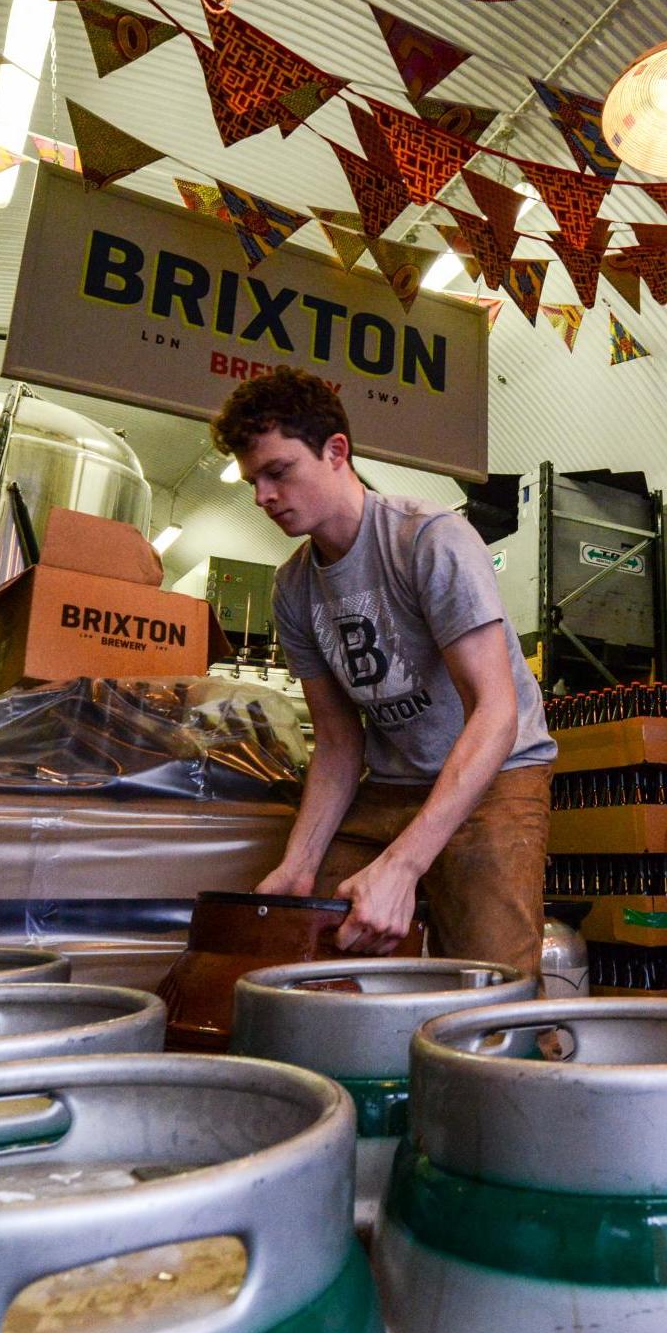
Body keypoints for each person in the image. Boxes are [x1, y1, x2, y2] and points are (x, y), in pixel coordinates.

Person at [213, 367, 556, 975]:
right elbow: (340, 744)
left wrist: (403, 866)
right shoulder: (292, 588)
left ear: (336, 451)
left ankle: (528, 1047)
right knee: (316, 939)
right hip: (391, 782)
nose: (263, 496)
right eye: (253, 481)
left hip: (494, 771)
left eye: (278, 471)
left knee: (489, 980)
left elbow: (497, 712)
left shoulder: (429, 540)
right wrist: (299, 861)